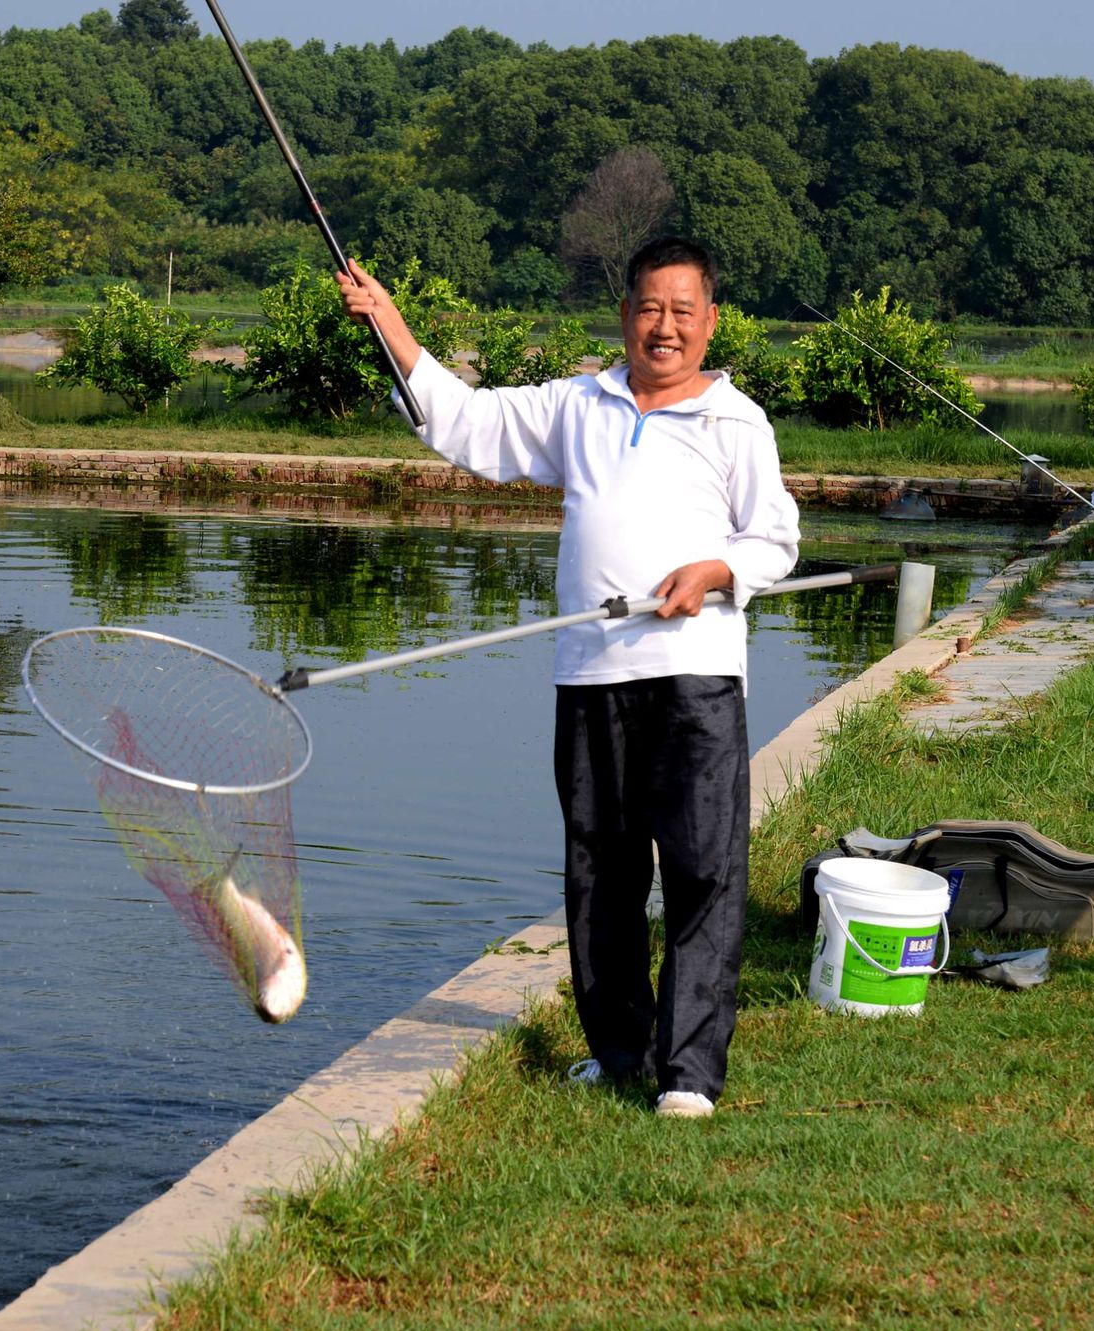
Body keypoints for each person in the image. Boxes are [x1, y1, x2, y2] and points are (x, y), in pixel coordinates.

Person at [337, 237, 798, 1119]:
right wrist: (389, 320)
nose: (664, 327)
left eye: (682, 311)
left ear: (708, 323)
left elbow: (775, 538)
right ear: (624, 315)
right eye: (649, 309)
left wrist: (713, 570)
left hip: (694, 677)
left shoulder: (737, 421)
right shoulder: (576, 405)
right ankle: (620, 1048)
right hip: (589, 674)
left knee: (703, 871)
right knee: (600, 870)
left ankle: (689, 1071)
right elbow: (469, 426)